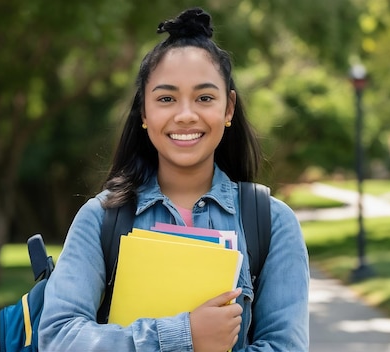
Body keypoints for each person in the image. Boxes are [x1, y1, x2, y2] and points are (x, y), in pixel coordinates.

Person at [39, 7, 309, 352]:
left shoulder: (273, 223)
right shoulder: (100, 218)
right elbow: (58, 339)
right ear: (144, 113)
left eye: (204, 98)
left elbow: (286, 347)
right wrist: (184, 336)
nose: (185, 115)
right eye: (166, 98)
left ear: (228, 109)